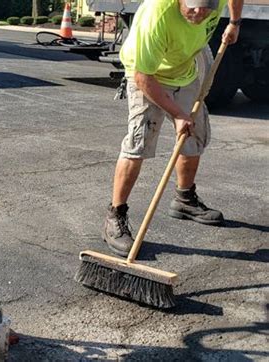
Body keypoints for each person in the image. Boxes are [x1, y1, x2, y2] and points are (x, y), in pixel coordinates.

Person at [103, 0, 244, 257]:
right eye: (193, 6)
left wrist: (234, 23)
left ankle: (184, 200)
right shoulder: (156, 16)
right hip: (147, 76)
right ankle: (115, 216)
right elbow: (143, 77)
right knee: (139, 144)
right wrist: (178, 114)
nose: (199, 14)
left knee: (195, 137)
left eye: (207, 8)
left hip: (185, 73)